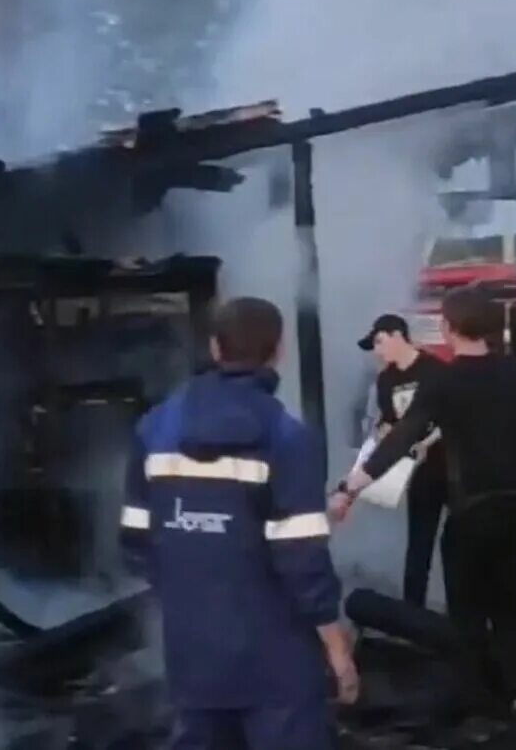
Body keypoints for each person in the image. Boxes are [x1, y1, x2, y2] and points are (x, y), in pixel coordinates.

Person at [328, 286, 516, 717]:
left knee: (466, 614)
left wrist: (349, 488)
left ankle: (478, 706)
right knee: (509, 608)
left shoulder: (444, 381)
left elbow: (402, 438)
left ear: (448, 329)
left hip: (473, 508)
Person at [120, 297, 356, 750]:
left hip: (193, 651)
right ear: (279, 350)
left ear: (214, 347)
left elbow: (136, 541)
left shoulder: (154, 429)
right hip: (277, 656)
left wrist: (191, 595)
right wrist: (336, 645)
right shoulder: (287, 439)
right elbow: (301, 559)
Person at [358, 313, 448, 607]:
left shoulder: (434, 369)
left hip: (450, 465)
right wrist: (384, 433)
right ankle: (414, 611)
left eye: (380, 342)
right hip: (417, 472)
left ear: (398, 335)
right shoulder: (387, 380)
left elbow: (451, 416)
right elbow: (389, 419)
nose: (378, 351)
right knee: (419, 544)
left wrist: (426, 442)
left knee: (459, 542)